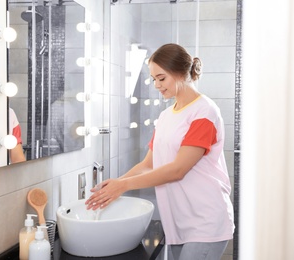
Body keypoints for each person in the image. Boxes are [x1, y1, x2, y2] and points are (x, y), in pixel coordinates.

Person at [85, 43, 234, 260]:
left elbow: (177, 170)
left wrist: (123, 185)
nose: (156, 85)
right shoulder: (166, 116)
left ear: (182, 73)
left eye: (161, 78)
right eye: (153, 79)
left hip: (205, 220)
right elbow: (148, 164)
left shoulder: (205, 112)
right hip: (177, 222)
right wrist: (115, 185)